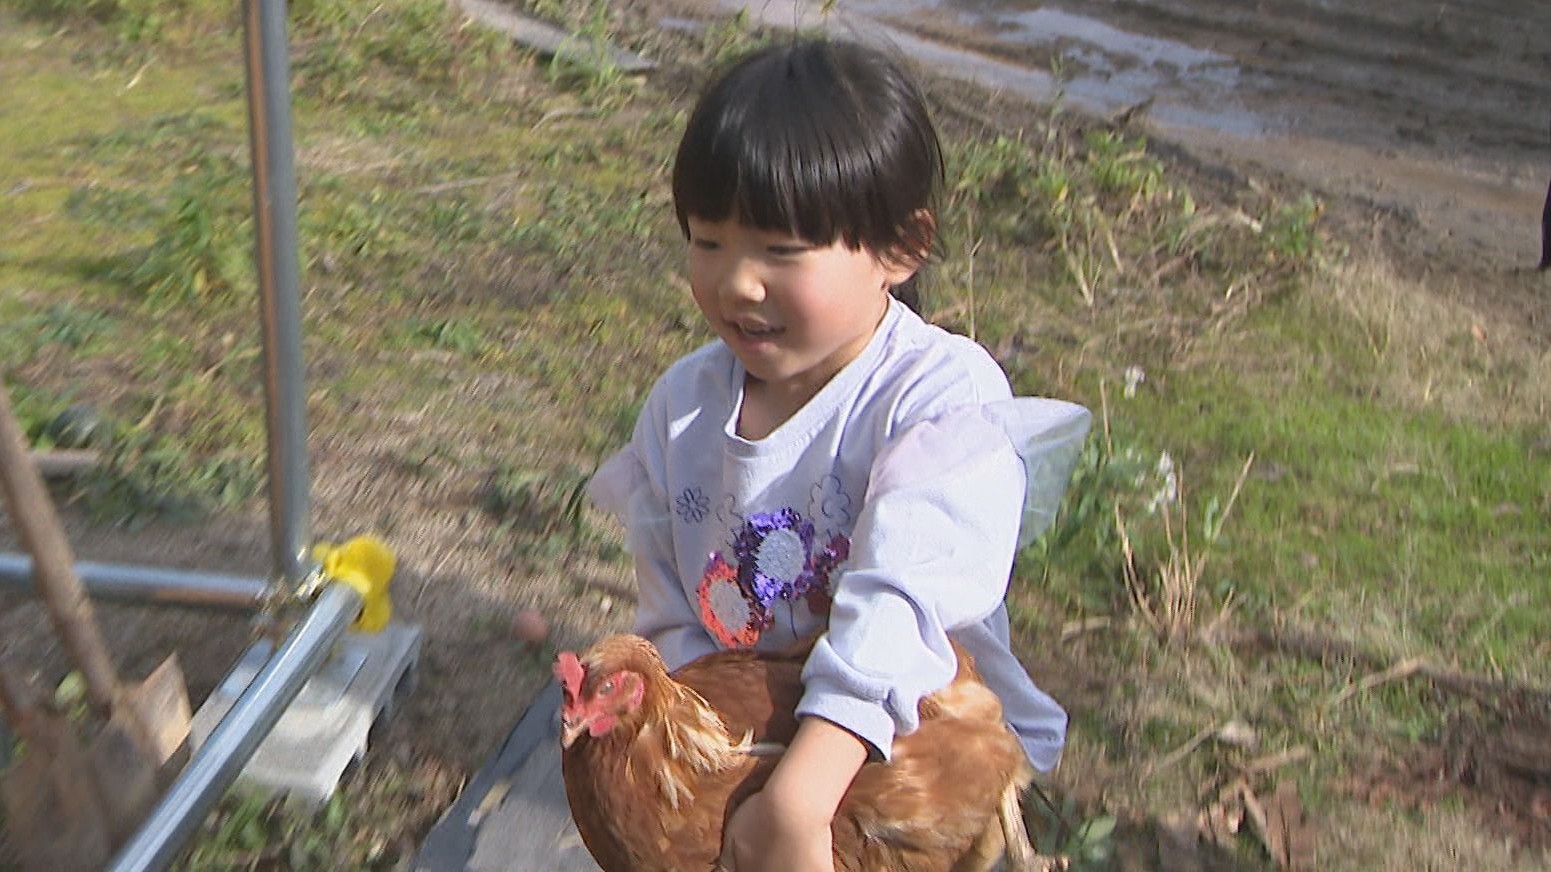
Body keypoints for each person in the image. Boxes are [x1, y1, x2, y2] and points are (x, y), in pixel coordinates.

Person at [589, 37, 1090, 872]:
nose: (737, 282)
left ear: (901, 246)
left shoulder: (935, 398)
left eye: (780, 251)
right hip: (757, 760)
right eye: (708, 242)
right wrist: (707, 774)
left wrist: (802, 796)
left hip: (905, 757)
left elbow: (899, 600)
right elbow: (674, 620)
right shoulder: (682, 408)